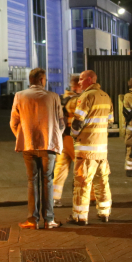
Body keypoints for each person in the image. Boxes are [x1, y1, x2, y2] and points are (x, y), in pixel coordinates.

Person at [10, 68, 65, 230]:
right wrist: (55, 136)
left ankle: (32, 220)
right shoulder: (53, 97)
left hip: (28, 145)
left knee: (32, 181)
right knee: (48, 180)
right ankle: (49, 220)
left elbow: (13, 122)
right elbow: (61, 123)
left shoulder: (19, 96)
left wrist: (23, 137)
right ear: (41, 80)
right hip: (49, 145)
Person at [69, 70, 114, 225]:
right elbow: (111, 120)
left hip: (86, 149)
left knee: (82, 182)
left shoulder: (86, 96)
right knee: (102, 181)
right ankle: (104, 212)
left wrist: (73, 135)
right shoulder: (106, 96)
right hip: (102, 150)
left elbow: (77, 122)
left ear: (89, 79)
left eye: (81, 79)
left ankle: (80, 216)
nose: (79, 82)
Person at [52, 75, 81, 207]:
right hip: (73, 140)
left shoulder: (63, 98)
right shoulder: (77, 101)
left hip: (62, 139)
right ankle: (88, 197)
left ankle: (54, 197)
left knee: (60, 168)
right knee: (82, 167)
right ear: (77, 86)